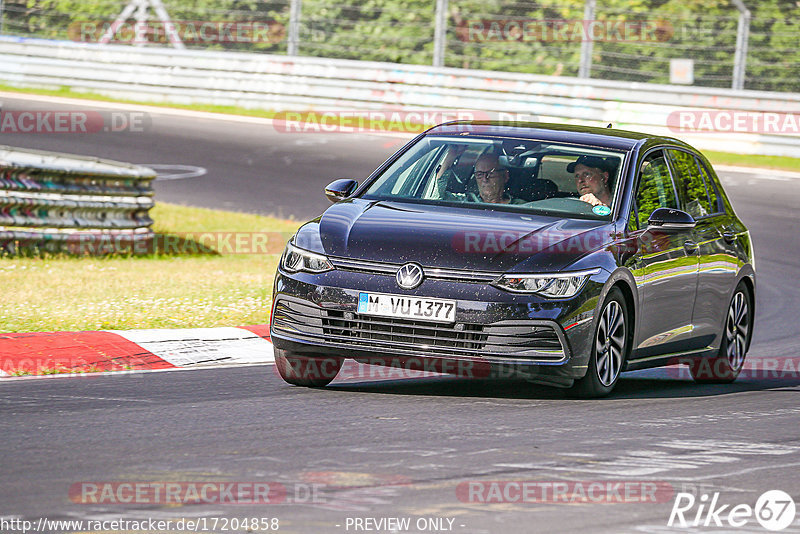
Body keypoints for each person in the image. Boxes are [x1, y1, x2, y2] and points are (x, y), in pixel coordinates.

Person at [436, 151, 526, 205]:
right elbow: (437, 195)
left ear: (505, 176)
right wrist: (451, 156)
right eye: (479, 174)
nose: (484, 179)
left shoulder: (521, 207)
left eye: (490, 173)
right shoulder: (465, 202)